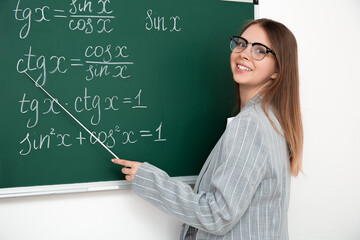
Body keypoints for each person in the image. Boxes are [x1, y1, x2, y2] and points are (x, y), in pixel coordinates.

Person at [112, 18, 303, 240]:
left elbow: (217, 215)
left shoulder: (251, 124)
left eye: (259, 50)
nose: (244, 53)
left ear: (277, 71)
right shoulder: (273, 119)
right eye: (242, 44)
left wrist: (149, 179)